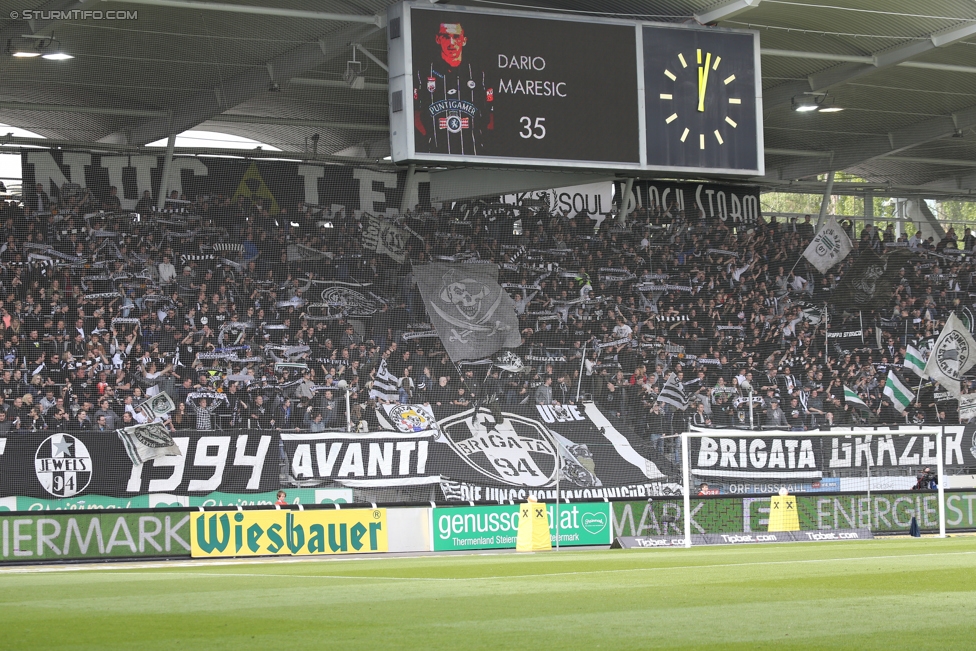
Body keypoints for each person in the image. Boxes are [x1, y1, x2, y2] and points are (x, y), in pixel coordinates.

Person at [414, 21, 493, 155]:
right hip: (435, 155)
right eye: (445, 36)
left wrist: (484, 138)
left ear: (464, 40)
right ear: (437, 39)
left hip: (475, 154)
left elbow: (492, 113)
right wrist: (427, 137)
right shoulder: (423, 73)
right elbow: (414, 113)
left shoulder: (479, 73)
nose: (451, 43)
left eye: (456, 37)